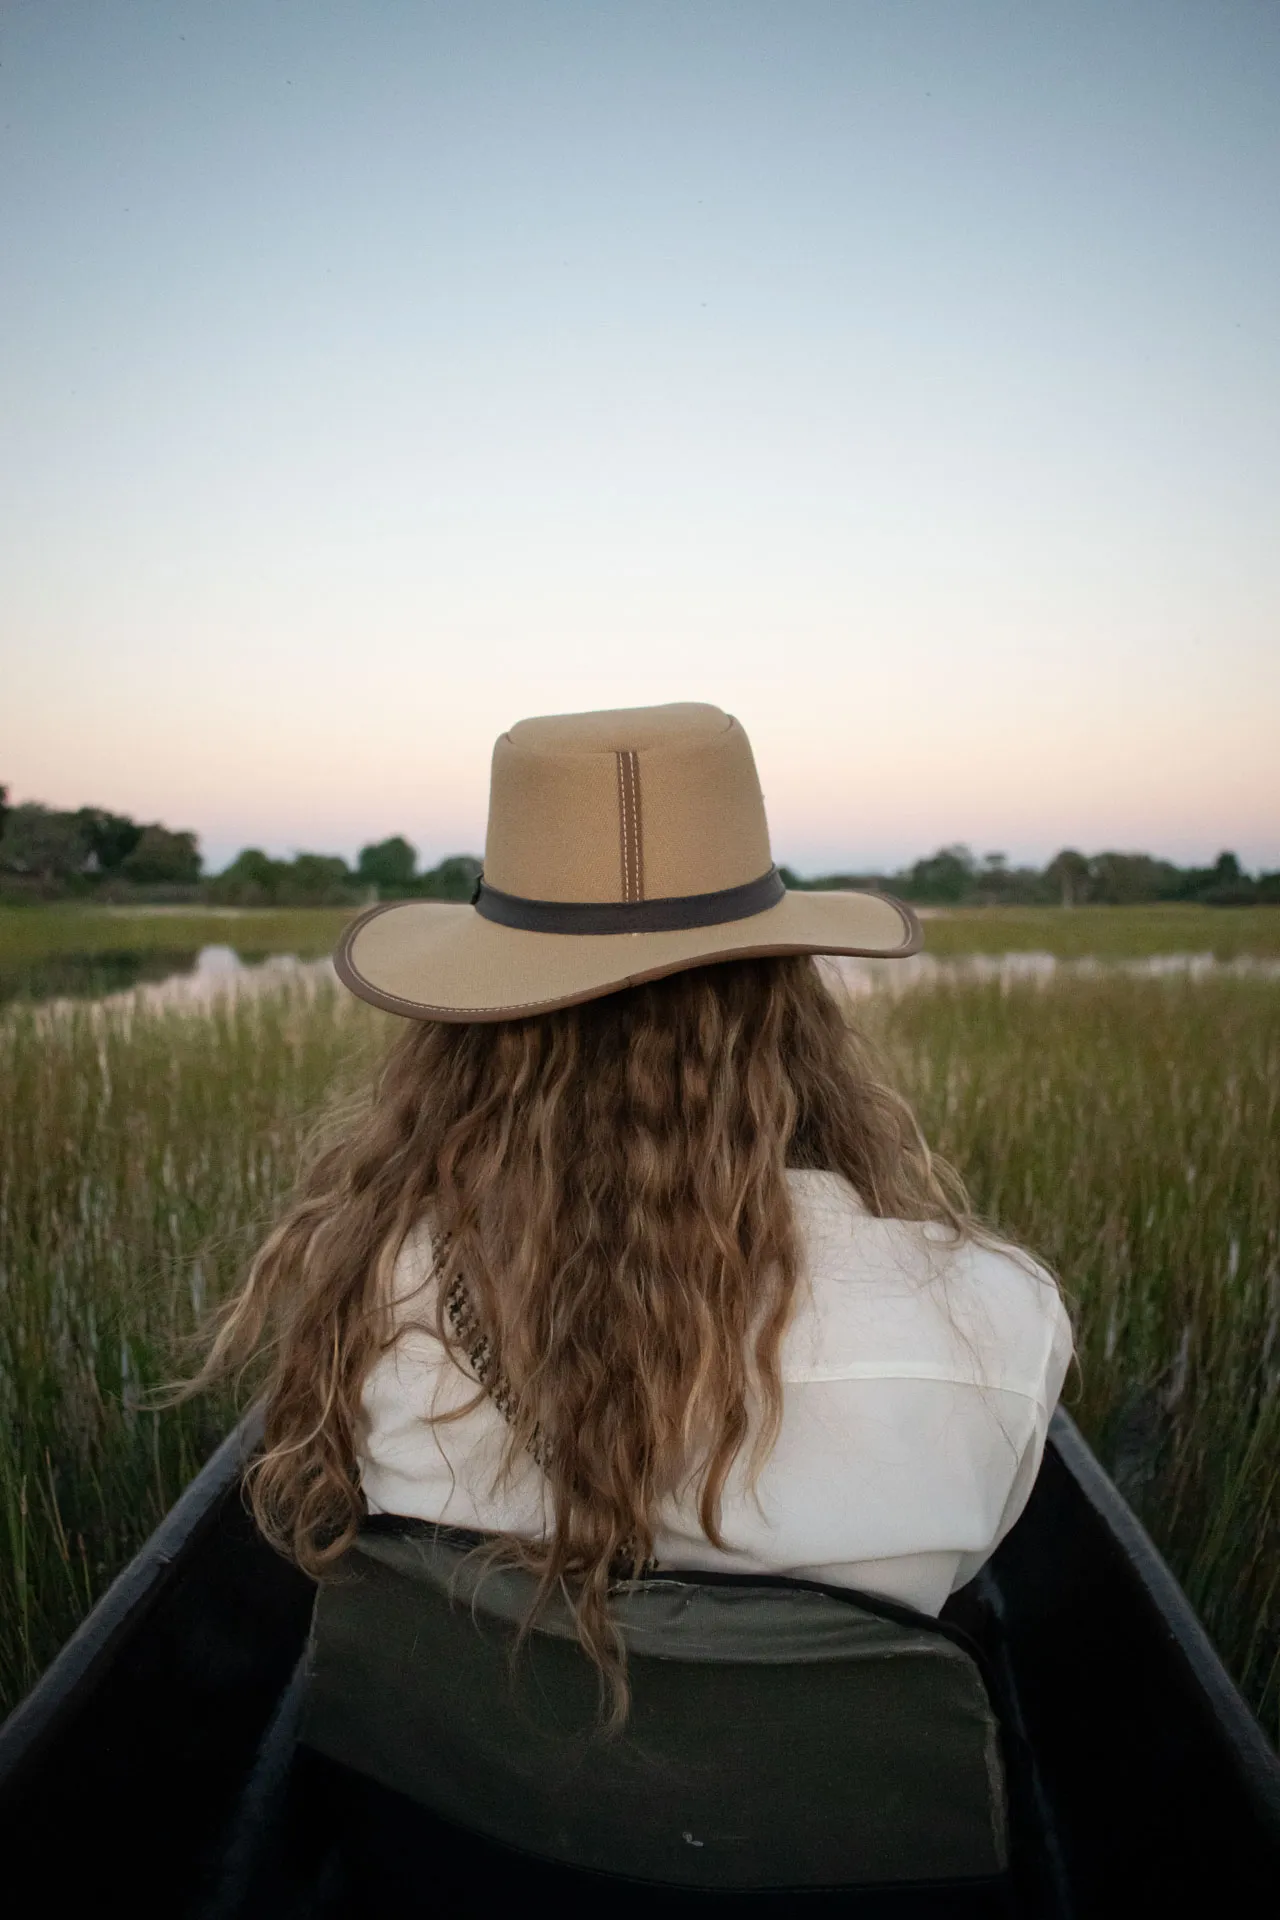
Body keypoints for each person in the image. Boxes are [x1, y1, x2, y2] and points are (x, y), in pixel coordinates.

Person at [205, 701, 1072, 1712]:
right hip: (822, 1848)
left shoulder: (370, 1274)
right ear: (789, 1007)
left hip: (466, 1823)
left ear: (476, 1034)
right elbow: (970, 1573)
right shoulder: (998, 1314)